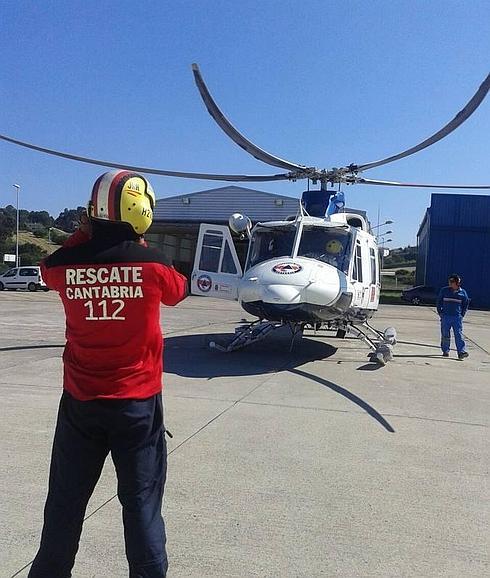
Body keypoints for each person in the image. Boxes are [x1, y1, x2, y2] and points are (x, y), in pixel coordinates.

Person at [28, 171, 187, 578]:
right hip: (137, 406)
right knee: (141, 506)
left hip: (81, 404)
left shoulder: (64, 263)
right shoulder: (151, 263)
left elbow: (47, 269)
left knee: (65, 504)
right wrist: (135, 247)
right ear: (140, 209)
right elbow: (178, 291)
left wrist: (84, 235)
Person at [436, 274, 469, 360]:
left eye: (452, 282)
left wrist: (462, 315)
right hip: (446, 316)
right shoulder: (444, 291)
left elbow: (465, 304)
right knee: (445, 334)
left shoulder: (463, 293)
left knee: (458, 334)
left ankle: (461, 352)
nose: (450, 283)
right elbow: (439, 302)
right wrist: (440, 312)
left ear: (457, 283)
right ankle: (445, 350)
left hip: (457, 317)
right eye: (449, 281)